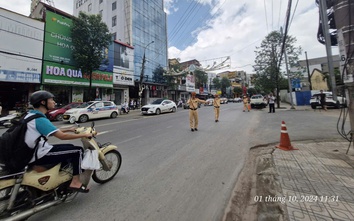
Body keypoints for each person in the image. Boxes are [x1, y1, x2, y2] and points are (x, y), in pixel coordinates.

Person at [27, 90, 94, 193]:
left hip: (30, 152)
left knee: (69, 146)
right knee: (78, 151)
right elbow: (61, 136)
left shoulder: (30, 115)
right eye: (51, 100)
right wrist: (85, 134)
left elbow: (50, 130)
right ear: (43, 102)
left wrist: (69, 129)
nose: (54, 102)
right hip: (38, 154)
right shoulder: (39, 119)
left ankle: (60, 179)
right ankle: (75, 182)